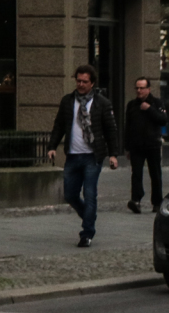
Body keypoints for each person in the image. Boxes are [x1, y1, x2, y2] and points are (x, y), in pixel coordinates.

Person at [47, 65, 119, 247]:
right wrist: (52, 146)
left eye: (84, 82)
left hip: (92, 156)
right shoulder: (68, 101)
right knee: (70, 194)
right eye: (78, 81)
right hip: (72, 155)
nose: (80, 84)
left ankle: (87, 232)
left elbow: (111, 130)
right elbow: (59, 126)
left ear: (92, 83)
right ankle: (89, 214)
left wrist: (113, 155)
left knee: (90, 194)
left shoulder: (102, 103)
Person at [123, 77, 168, 214]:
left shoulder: (156, 103)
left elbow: (163, 120)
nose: (139, 90)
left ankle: (157, 202)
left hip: (152, 145)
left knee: (155, 174)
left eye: (142, 88)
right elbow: (128, 126)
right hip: (136, 145)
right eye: (137, 88)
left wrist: (149, 109)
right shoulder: (131, 105)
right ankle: (136, 200)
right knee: (136, 174)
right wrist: (127, 147)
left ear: (148, 89)